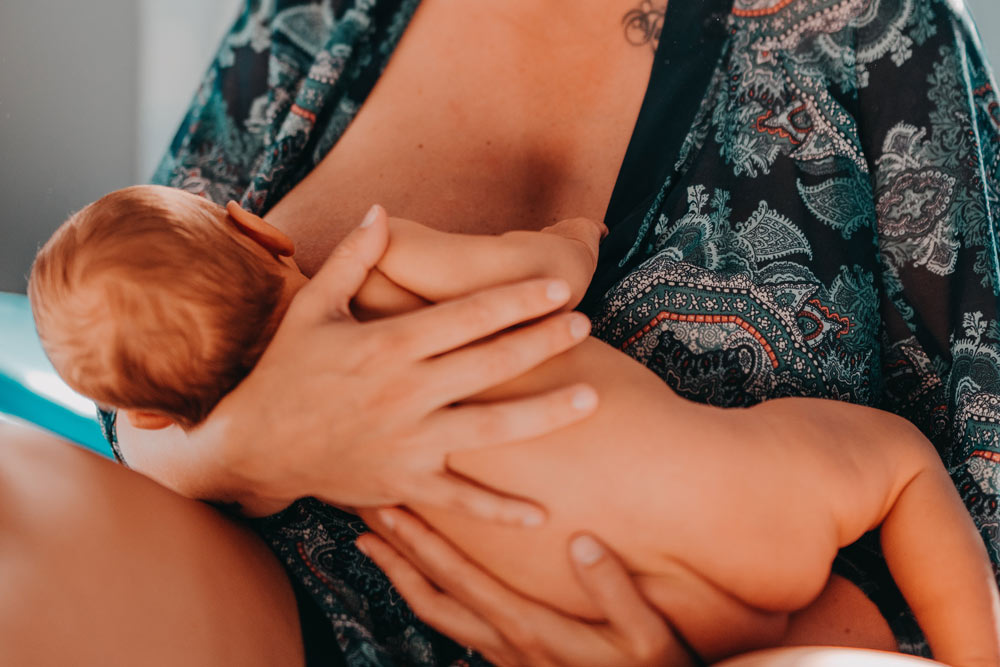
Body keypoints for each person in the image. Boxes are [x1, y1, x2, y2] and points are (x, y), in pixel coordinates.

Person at [6, 0, 1000, 665]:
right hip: (287, 623)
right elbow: (132, 362)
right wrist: (235, 451)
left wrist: (716, 640)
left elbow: (980, 502)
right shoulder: (316, 22)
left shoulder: (868, 36)